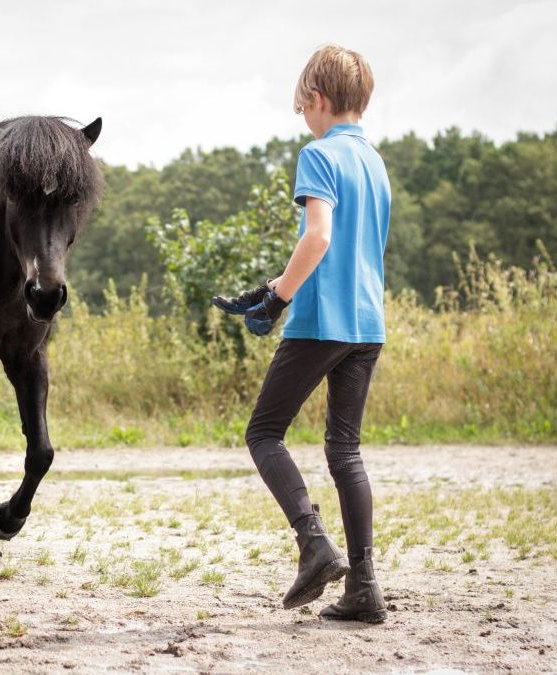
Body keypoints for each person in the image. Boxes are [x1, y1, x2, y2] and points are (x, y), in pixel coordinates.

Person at [213, 44, 390, 623]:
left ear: (317, 99)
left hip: (321, 320)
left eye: (302, 108)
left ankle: (313, 545)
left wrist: (280, 299)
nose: (303, 119)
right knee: (345, 451)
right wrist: (273, 283)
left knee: (264, 433)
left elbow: (318, 238)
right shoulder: (376, 161)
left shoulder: (319, 154)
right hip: (367, 323)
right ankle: (364, 589)